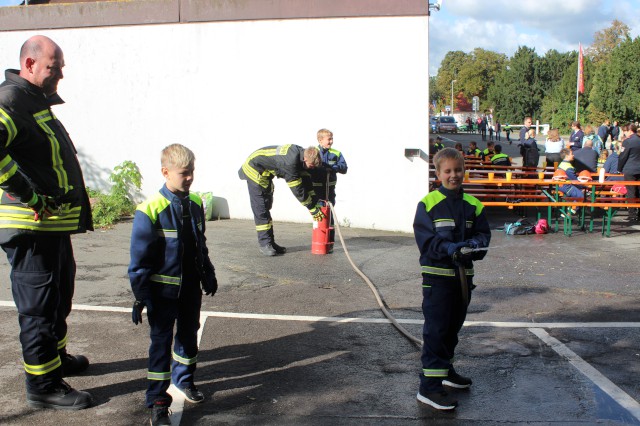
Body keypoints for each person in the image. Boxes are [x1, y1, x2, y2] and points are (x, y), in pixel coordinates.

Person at [0, 35, 93, 410]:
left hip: (50, 228)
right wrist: (30, 195)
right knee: (38, 308)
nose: (60, 75)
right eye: (55, 67)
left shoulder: (31, 99)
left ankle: (55, 361)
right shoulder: (10, 100)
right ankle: (42, 385)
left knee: (57, 299)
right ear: (30, 65)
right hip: (30, 228)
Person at [129, 144, 217, 426]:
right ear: (165, 172)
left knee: (189, 336)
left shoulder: (194, 205)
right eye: (183, 173)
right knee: (160, 343)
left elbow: (199, 244)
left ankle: (184, 380)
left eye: (192, 172)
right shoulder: (150, 209)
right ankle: (157, 399)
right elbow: (140, 258)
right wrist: (141, 295)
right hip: (162, 293)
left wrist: (208, 272)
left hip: (190, 289)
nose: (189, 178)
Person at [413, 147, 491, 411]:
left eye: (458, 170)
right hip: (438, 280)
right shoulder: (428, 204)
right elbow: (426, 241)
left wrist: (474, 245)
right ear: (438, 173)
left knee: (452, 329)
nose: (454, 175)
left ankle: (444, 371)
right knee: (436, 331)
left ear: (464, 171)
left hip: (463, 281)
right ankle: (429, 388)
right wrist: (449, 249)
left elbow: (483, 237)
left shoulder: (474, 205)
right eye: (448, 171)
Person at [239, 144, 323, 256]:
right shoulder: (290, 163)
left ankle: (271, 243)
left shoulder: (302, 154)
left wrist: (314, 198)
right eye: (311, 165)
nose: (312, 168)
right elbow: (298, 190)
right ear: (305, 158)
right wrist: (311, 207)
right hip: (254, 171)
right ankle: (265, 244)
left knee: (267, 206)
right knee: (262, 209)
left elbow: (305, 178)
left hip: (264, 172)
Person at [617, 122, 640, 222]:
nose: (624, 133)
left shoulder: (627, 142)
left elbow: (623, 157)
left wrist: (619, 168)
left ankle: (632, 214)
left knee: (631, 192)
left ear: (630, 130)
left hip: (630, 169)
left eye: (625, 131)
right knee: (638, 192)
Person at [557, 148, 584, 215]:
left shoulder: (562, 164)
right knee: (580, 195)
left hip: (560, 185)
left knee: (579, 192)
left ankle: (571, 209)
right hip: (566, 186)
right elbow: (574, 180)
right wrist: (583, 185)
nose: (573, 155)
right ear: (567, 156)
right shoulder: (568, 167)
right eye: (571, 154)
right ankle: (570, 211)